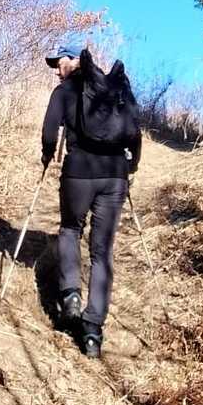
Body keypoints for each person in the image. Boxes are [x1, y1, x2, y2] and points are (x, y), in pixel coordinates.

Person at [40, 44, 141, 360]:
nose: (57, 70)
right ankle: (93, 331)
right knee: (102, 251)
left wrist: (47, 155)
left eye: (59, 63)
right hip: (115, 175)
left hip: (78, 172)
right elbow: (135, 132)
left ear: (72, 60)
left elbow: (49, 132)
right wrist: (132, 166)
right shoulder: (114, 90)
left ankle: (70, 294)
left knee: (70, 229)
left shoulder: (64, 92)